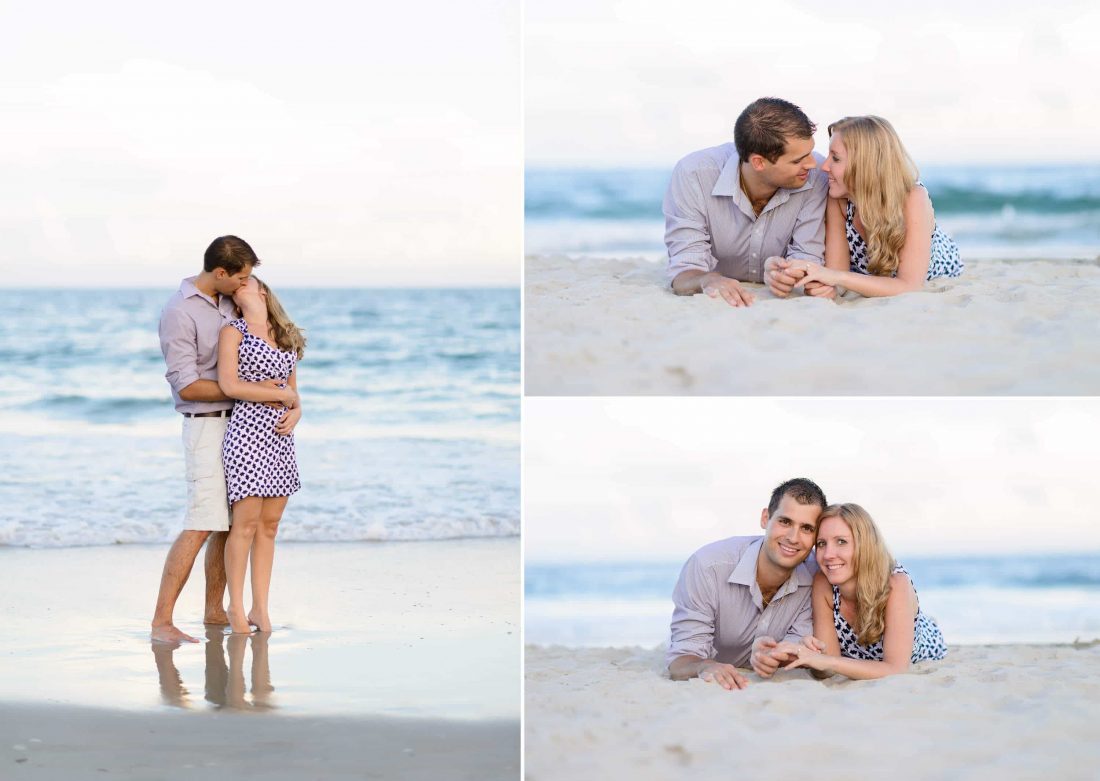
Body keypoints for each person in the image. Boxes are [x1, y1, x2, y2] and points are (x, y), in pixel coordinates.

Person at [153, 236, 296, 643]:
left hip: (247, 426)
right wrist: (247, 388)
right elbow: (187, 387)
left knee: (229, 525)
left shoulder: (234, 301)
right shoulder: (179, 312)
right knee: (201, 522)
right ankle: (162, 621)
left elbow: (265, 354)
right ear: (220, 273)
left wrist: (270, 397)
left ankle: (215, 610)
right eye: (242, 277)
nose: (246, 284)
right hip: (207, 425)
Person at [663, 97, 834, 307]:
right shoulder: (693, 174)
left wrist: (789, 275)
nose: (813, 163)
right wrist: (708, 279)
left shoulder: (815, 174)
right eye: (797, 160)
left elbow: (808, 255)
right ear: (758, 162)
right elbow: (683, 270)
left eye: (810, 152)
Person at [666, 478, 827, 690]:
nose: (793, 538)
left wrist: (774, 656)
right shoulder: (708, 566)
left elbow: (798, 647)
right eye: (785, 522)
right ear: (765, 518)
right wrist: (704, 667)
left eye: (806, 528)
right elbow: (680, 662)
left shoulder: (817, 575)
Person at [217, 276, 306, 634]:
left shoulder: (286, 335)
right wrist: (278, 396)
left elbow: (294, 393)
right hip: (247, 433)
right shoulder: (233, 331)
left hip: (280, 436)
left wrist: (296, 410)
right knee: (245, 525)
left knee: (269, 527)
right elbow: (229, 385)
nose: (238, 287)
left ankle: (261, 609)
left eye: (246, 283)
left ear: (263, 292)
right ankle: (235, 608)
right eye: (234, 286)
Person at [789, 115, 963, 297]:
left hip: (929, 275)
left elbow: (909, 286)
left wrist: (836, 278)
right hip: (870, 277)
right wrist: (826, 288)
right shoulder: (839, 198)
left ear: (865, 164)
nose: (825, 167)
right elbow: (837, 274)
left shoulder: (912, 198)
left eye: (836, 158)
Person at [784, 503, 947, 679]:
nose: (828, 554)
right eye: (821, 543)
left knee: (916, 622)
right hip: (859, 661)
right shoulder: (823, 583)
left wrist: (827, 661)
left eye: (841, 541)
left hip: (924, 644)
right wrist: (810, 655)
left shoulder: (895, 584)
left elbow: (895, 669)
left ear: (865, 544)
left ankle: (924, 620)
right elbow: (828, 670)